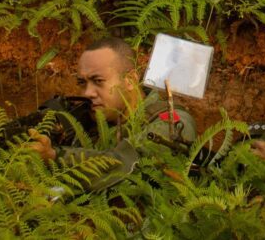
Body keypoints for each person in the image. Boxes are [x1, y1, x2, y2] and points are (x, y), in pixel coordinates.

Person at [28, 37, 196, 190]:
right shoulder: (94, 119)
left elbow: (126, 164)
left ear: (130, 80)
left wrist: (56, 157)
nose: (87, 93)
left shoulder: (172, 122)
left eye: (98, 81)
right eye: (82, 83)